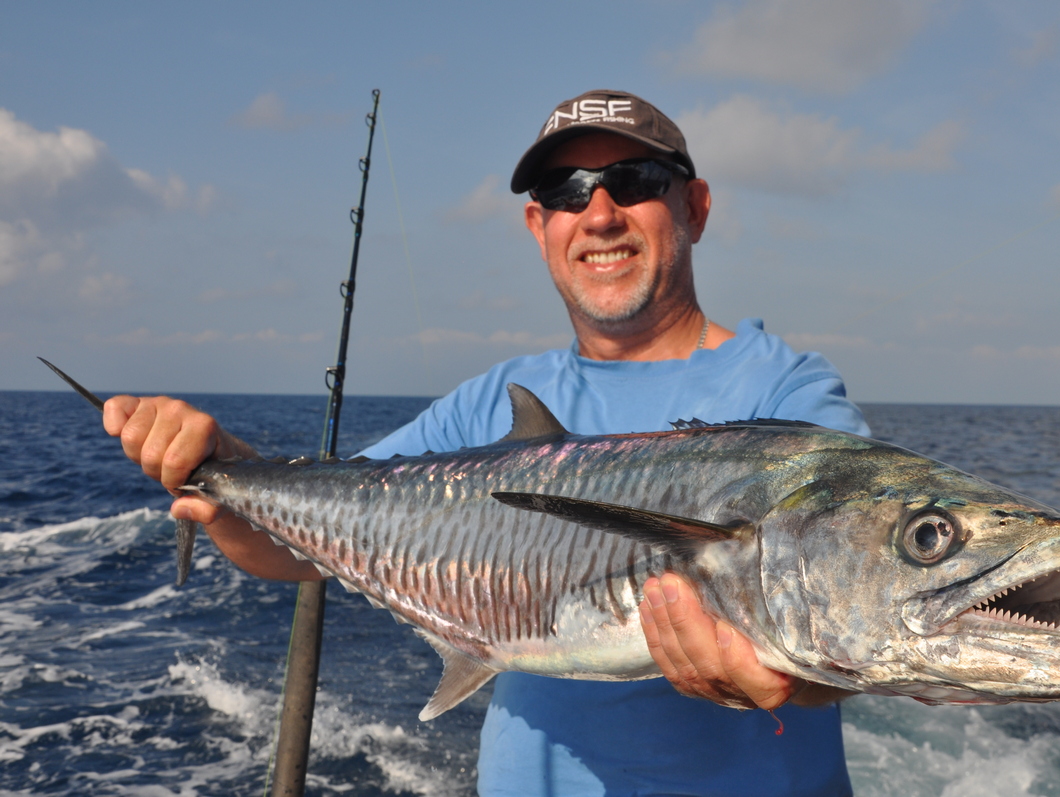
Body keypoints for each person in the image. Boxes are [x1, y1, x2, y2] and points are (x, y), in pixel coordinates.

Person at [105, 90, 867, 796]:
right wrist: (218, 468)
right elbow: (293, 549)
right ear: (540, 228)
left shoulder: (786, 400)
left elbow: (858, 598)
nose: (599, 213)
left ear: (694, 207)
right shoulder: (488, 405)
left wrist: (799, 673)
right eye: (566, 191)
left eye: (633, 180)